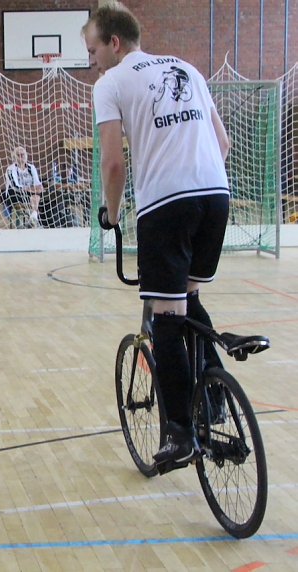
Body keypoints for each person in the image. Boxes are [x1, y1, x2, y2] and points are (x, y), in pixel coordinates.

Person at [84, 2, 231, 468]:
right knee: (189, 296)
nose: (90, 61)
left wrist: (111, 212)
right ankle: (215, 395)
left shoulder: (111, 83)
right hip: (215, 195)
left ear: (115, 43)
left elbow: (112, 162)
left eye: (92, 50)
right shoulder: (188, 68)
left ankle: (179, 435)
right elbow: (223, 144)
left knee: (165, 318)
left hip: (166, 204)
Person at [2, 146, 44, 228]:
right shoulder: (10, 169)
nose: (21, 157)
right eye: (18, 155)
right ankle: (33, 217)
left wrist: (39, 188)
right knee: (33, 194)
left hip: (31, 194)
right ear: (14, 157)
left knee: (40, 195)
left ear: (26, 155)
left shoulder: (31, 168)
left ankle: (33, 218)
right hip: (14, 194)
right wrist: (31, 189)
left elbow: (37, 183)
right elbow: (15, 186)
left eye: (23, 154)